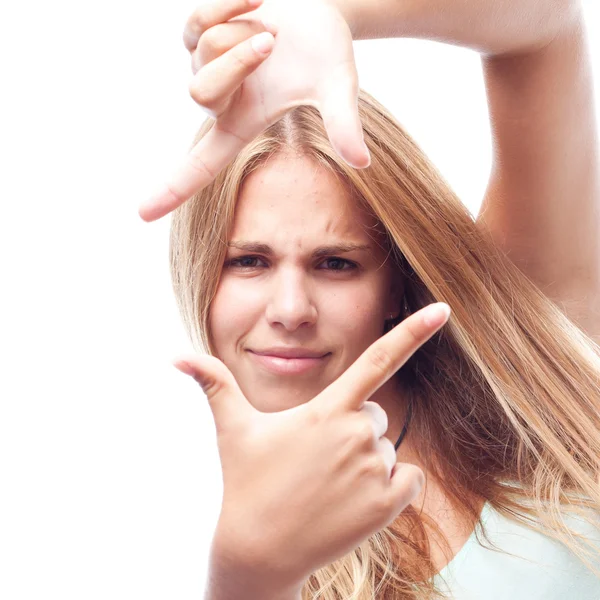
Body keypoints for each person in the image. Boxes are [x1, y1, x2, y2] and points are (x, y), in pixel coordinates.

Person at [139, 0, 600, 597]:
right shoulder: (235, 548)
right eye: (249, 261)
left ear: (393, 283)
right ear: (200, 272)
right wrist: (247, 576)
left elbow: (548, 26)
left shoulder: (517, 369)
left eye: (336, 264)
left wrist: (343, 14)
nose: (290, 310)